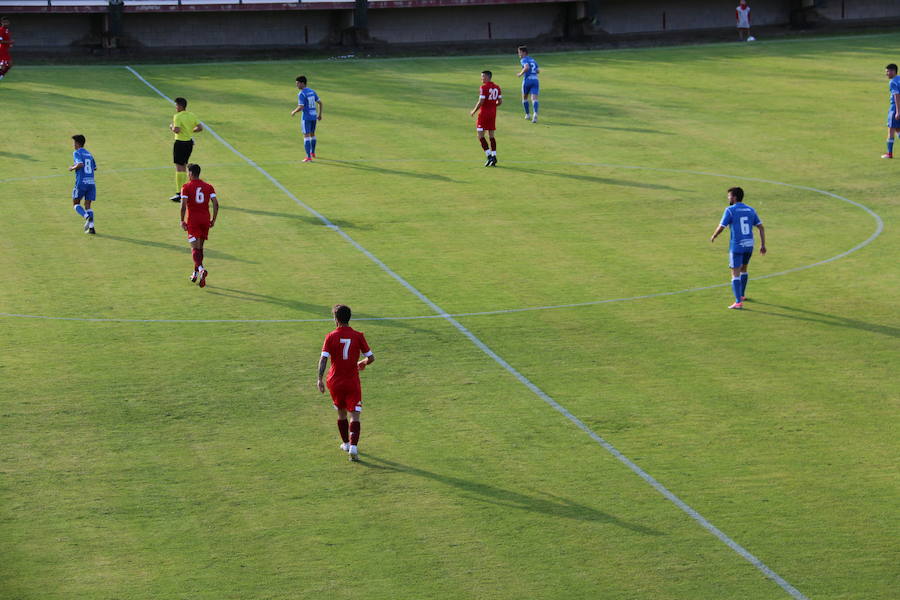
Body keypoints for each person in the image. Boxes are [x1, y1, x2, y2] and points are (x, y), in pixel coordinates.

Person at [316, 304, 375, 462]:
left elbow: (323, 359)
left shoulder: (330, 336)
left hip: (334, 381)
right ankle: (354, 447)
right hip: (352, 381)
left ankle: (346, 444)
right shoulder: (358, 336)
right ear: (349, 318)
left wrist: (319, 379)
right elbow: (371, 357)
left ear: (336, 319)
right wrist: (362, 362)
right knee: (355, 415)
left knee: (341, 413)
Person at [710, 187, 766, 309]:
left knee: (735, 274)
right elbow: (761, 227)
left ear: (734, 197)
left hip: (737, 246)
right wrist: (762, 245)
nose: (728, 198)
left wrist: (714, 235)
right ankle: (742, 295)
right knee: (744, 270)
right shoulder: (751, 210)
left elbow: (722, 226)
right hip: (749, 245)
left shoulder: (730, 210)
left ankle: (738, 302)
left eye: (729, 196)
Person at [179, 163, 218, 288]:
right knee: (199, 249)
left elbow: (183, 206)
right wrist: (213, 220)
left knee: (194, 248)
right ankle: (195, 274)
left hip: (193, 221)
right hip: (205, 220)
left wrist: (181, 221)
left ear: (190, 173)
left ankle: (201, 270)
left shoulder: (186, 187)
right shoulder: (208, 186)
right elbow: (216, 204)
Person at [169, 97, 203, 202]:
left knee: (179, 168)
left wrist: (171, 127)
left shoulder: (177, 116)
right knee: (184, 166)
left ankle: (180, 193)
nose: (175, 107)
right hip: (189, 143)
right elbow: (200, 127)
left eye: (176, 105)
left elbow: (177, 130)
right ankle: (186, 191)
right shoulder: (191, 115)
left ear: (180, 106)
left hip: (180, 143)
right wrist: (190, 131)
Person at [470, 70, 502, 167]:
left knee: (480, 135)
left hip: (484, 114)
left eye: (483, 76)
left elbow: (481, 102)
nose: (481, 78)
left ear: (488, 77)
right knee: (491, 135)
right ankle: (494, 156)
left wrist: (473, 111)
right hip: (493, 114)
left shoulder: (483, 87)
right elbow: (500, 102)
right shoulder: (497, 87)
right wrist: (492, 105)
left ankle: (489, 156)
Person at [68, 135, 98, 235]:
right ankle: (92, 228)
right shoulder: (89, 154)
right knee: (88, 205)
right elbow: (94, 168)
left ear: (77, 143)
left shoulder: (76, 152)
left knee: (75, 203)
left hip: (81, 182)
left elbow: (80, 164)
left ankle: (86, 217)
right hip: (91, 183)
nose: (73, 145)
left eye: (74, 142)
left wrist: (72, 168)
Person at [290, 75, 322, 163]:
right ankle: (313, 153)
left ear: (302, 83)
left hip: (306, 118)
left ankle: (308, 157)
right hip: (313, 116)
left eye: (297, 83)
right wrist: (319, 114)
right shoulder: (312, 91)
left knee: (306, 136)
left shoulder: (302, 93)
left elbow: (301, 106)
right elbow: (320, 102)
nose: (296, 85)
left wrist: (294, 111)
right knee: (313, 134)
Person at [517, 46, 540, 123]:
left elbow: (526, 67)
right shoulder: (533, 60)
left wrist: (520, 74)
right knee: (534, 99)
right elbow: (538, 70)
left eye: (519, 52)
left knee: (525, 98)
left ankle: (527, 114)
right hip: (535, 80)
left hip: (527, 80)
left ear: (524, 52)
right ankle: (535, 113)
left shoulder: (524, 59)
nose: (519, 54)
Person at [883, 63, 900, 158]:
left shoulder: (893, 82)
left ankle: (889, 153)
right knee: (898, 129)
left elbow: (897, 96)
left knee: (891, 130)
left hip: (895, 108)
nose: (886, 74)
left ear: (893, 71)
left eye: (888, 71)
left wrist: (898, 111)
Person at [0, 16, 12, 81]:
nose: (6, 23)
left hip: (6, 50)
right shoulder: (1, 30)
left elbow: (6, 39)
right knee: (3, 66)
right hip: (2, 50)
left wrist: (9, 44)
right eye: (4, 22)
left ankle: (1, 76)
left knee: (10, 64)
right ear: (2, 23)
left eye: (7, 22)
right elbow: (0, 41)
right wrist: (10, 42)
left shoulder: (6, 30)